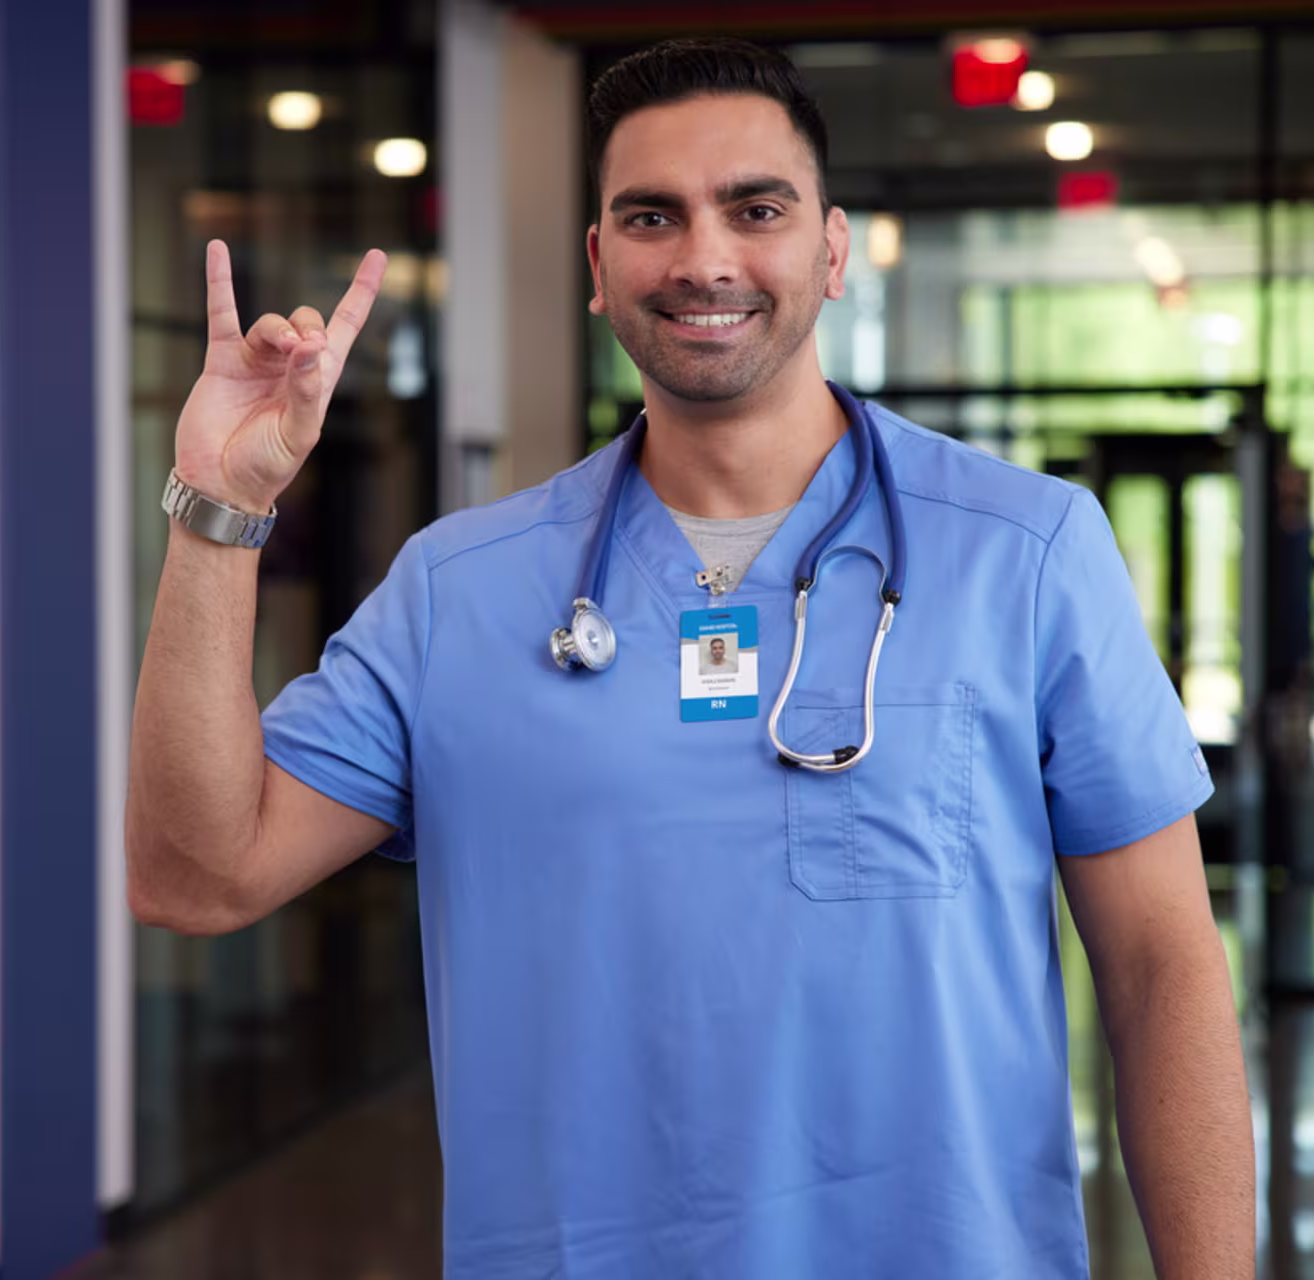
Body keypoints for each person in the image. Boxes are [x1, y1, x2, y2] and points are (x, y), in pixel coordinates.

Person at [127, 37, 1254, 1279]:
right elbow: (194, 876)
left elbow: (1162, 972)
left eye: (754, 208)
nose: (704, 257)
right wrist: (215, 511)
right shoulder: (461, 593)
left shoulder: (1026, 552)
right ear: (601, 269)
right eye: (651, 216)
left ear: (831, 249)